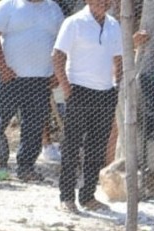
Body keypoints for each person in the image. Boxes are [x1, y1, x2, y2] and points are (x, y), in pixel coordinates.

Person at [52, 0, 122, 213]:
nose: (104, 2)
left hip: (106, 93)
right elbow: (57, 56)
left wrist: (116, 85)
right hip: (79, 90)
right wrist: (66, 87)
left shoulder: (113, 24)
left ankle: (88, 196)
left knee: (96, 147)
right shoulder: (74, 22)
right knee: (72, 146)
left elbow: (118, 57)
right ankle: (66, 197)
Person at [0, 0, 64, 183]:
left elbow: (63, 42)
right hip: (9, 78)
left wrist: (58, 72)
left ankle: (26, 168)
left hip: (42, 80)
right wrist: (2, 67)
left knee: (34, 127)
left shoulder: (53, 8)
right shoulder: (7, 5)